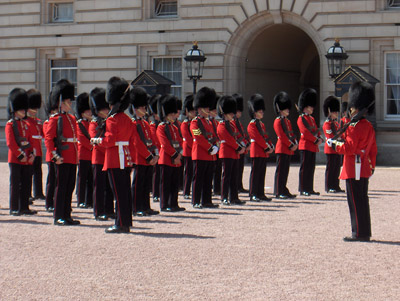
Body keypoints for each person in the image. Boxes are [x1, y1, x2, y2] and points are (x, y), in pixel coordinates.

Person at [327, 81, 377, 242]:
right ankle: (365, 231)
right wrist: (372, 167)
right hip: (364, 168)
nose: (351, 109)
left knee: (355, 201)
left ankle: (358, 233)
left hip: (353, 167)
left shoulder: (355, 127)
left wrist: (334, 144)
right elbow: (373, 150)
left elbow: (348, 148)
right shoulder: (368, 125)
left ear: (357, 107)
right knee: (363, 200)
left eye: (353, 107)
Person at [91, 77, 134, 233]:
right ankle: (126, 221)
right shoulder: (128, 120)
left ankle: (120, 223)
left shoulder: (112, 120)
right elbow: (132, 141)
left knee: (118, 194)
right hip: (126, 159)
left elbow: (109, 140)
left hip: (115, 159)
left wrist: (97, 140)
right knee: (125, 192)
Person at [44, 79, 80, 226]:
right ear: (60, 103)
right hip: (62, 157)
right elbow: (48, 139)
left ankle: (67, 214)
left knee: (70, 186)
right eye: (67, 102)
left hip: (72, 157)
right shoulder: (55, 119)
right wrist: (54, 156)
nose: (70, 104)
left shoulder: (71, 118)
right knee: (61, 186)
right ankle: (58, 215)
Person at [6, 88, 37, 216]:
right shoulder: (10, 125)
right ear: (15, 110)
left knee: (26, 183)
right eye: (22, 109)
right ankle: (14, 207)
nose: (24, 111)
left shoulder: (26, 124)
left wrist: (31, 155)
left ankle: (24, 207)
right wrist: (20, 155)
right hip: (16, 159)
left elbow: (30, 141)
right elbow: (11, 143)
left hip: (26, 160)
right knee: (15, 184)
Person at [129, 87, 159, 216]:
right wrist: (148, 156)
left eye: (145, 108)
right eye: (142, 108)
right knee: (138, 184)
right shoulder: (133, 123)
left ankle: (145, 206)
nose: (145, 110)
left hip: (148, 157)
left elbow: (151, 140)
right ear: (136, 109)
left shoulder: (145, 124)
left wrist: (155, 154)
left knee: (146, 184)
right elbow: (136, 142)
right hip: (139, 157)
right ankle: (136, 207)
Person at [190, 87, 219, 209]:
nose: (208, 110)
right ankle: (196, 201)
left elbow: (214, 135)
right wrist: (210, 147)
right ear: (200, 109)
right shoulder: (195, 122)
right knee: (198, 179)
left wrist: (216, 145)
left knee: (208, 180)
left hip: (210, 155)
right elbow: (198, 137)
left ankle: (207, 200)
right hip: (201, 154)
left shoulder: (209, 122)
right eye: (206, 108)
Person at [89, 87, 114, 221]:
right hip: (99, 159)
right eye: (104, 109)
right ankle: (99, 211)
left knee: (109, 187)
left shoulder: (109, 122)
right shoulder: (94, 123)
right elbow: (95, 141)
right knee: (99, 187)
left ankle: (109, 210)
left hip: (108, 159)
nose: (106, 111)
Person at [156, 94, 185, 212]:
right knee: (165, 184)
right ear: (166, 114)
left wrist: (180, 154)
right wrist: (175, 155)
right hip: (166, 158)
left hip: (176, 159)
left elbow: (179, 141)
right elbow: (165, 144)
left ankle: (173, 203)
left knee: (174, 183)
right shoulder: (161, 127)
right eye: (172, 114)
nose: (174, 115)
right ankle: (164, 204)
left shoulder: (174, 127)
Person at [217, 95, 246, 205]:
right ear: (224, 113)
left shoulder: (232, 125)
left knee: (234, 176)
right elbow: (228, 139)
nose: (233, 115)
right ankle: (224, 197)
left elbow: (237, 136)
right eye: (230, 113)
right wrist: (239, 147)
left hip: (235, 153)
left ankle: (234, 197)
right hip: (227, 152)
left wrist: (242, 145)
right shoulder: (221, 125)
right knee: (226, 176)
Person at [247, 94, 274, 202]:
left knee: (262, 173)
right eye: (260, 111)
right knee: (255, 173)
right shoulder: (252, 125)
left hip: (263, 151)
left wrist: (270, 145)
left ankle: (260, 193)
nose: (262, 112)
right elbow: (257, 138)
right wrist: (267, 147)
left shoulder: (261, 124)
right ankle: (253, 193)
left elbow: (265, 136)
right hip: (257, 151)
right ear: (254, 112)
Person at [297, 88, 323, 196]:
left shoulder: (311, 119)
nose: (312, 108)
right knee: (305, 168)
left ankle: (309, 188)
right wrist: (316, 140)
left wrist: (319, 138)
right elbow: (305, 133)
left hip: (312, 146)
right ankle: (303, 188)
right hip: (305, 145)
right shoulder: (301, 119)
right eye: (310, 106)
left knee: (311, 168)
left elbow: (315, 130)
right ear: (306, 107)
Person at [272, 92, 298, 199]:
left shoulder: (287, 121)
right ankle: (278, 191)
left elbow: (291, 133)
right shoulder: (277, 121)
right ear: (280, 108)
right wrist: (291, 144)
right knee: (280, 171)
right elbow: (281, 136)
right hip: (282, 147)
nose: (288, 110)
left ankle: (283, 189)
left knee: (285, 171)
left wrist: (295, 142)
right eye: (286, 108)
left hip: (288, 148)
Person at [26, 89, 45, 201]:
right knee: (28, 174)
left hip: (38, 151)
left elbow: (42, 135)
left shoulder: (38, 121)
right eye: (33, 108)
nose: (34, 111)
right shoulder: (26, 121)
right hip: (30, 151)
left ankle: (38, 193)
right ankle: (27, 194)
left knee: (38, 172)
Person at [75, 92, 94, 208]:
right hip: (83, 154)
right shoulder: (79, 124)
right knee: (82, 179)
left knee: (91, 179)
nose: (90, 113)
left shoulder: (91, 124)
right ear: (82, 112)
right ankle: (81, 200)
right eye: (87, 111)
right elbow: (82, 139)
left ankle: (89, 200)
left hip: (91, 155)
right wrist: (93, 147)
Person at [322, 96, 344, 193]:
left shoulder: (335, 123)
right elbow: (330, 135)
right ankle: (329, 186)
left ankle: (335, 185)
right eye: (334, 112)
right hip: (331, 148)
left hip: (337, 148)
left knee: (336, 168)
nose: (336, 114)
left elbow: (339, 134)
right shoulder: (327, 124)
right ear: (329, 112)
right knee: (330, 169)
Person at [232, 93, 250, 193]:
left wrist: (246, 143)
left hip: (241, 148)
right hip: (237, 148)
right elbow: (236, 136)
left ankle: (239, 185)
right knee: (235, 170)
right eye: (237, 111)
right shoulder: (232, 122)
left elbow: (243, 134)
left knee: (240, 169)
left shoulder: (238, 122)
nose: (239, 113)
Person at [181, 94, 195, 199]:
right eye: (192, 111)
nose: (194, 113)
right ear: (187, 111)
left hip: (194, 150)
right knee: (188, 172)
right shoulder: (184, 124)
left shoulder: (195, 123)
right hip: (188, 150)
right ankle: (186, 191)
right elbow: (187, 137)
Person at [43, 101, 57, 212]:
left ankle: (55, 202)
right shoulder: (47, 123)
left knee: (57, 181)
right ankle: (49, 203)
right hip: (52, 156)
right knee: (51, 181)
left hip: (60, 155)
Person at [148, 94, 162, 203]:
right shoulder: (153, 125)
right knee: (156, 174)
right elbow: (154, 139)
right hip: (156, 151)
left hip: (162, 152)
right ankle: (155, 193)